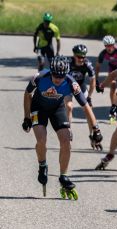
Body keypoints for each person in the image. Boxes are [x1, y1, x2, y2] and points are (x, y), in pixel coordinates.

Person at [22, 56, 102, 199]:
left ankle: (63, 176)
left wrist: (96, 128)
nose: (58, 79)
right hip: (38, 109)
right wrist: (27, 117)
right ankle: (42, 165)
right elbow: (27, 94)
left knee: (66, 141)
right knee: (41, 139)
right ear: (51, 71)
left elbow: (86, 107)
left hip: (57, 109)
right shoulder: (40, 77)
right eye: (55, 75)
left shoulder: (72, 83)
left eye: (61, 76)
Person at [95, 35, 117, 107]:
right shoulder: (103, 53)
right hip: (112, 68)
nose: (109, 47)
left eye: (111, 45)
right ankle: (113, 107)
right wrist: (96, 80)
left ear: (113, 45)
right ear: (105, 46)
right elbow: (98, 66)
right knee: (112, 86)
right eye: (107, 46)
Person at [67, 44, 96, 121]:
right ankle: (68, 131)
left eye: (83, 57)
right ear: (74, 55)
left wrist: (89, 96)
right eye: (79, 57)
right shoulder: (68, 63)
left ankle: (92, 132)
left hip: (80, 85)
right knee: (69, 107)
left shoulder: (87, 64)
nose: (81, 59)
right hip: (68, 86)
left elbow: (93, 81)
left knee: (89, 109)